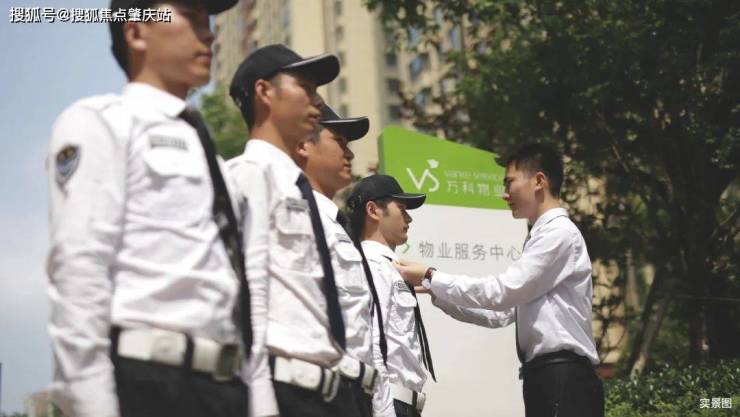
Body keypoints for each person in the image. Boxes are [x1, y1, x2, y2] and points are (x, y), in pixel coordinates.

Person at [46, 1, 251, 417]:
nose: (209, 33)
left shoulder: (212, 157)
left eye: (209, 20)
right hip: (150, 382)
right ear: (137, 32)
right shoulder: (101, 122)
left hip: (226, 388)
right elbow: (79, 271)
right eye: (191, 17)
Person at [397, 143, 605, 417]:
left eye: (509, 183)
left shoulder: (558, 234)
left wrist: (431, 275)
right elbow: (500, 313)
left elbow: (503, 292)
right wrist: (434, 288)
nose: (504, 194)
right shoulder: (543, 236)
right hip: (547, 377)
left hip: (563, 377)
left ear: (539, 181)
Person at [226, 44, 359, 417]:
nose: (318, 101)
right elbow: (247, 295)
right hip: (283, 389)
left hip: (327, 389)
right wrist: (260, 400)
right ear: (264, 92)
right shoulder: (248, 174)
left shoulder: (297, 188)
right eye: (306, 87)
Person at [294, 103, 388, 417]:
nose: (349, 154)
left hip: (358, 394)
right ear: (304, 145)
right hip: (321, 391)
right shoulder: (299, 215)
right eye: (339, 142)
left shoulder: (338, 224)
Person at [345, 175, 435, 417]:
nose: (409, 218)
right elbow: (372, 343)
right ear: (373, 210)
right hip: (390, 404)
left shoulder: (389, 266)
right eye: (402, 209)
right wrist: (384, 411)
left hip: (404, 405)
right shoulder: (371, 265)